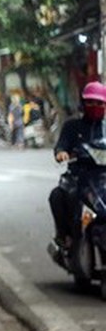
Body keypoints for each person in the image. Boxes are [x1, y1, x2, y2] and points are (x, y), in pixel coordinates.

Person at [50, 82, 106, 248]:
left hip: (103, 178)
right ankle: (64, 236)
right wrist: (62, 153)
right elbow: (61, 146)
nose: (95, 106)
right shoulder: (72, 126)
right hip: (79, 177)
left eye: (99, 103)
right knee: (57, 196)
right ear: (83, 103)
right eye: (90, 102)